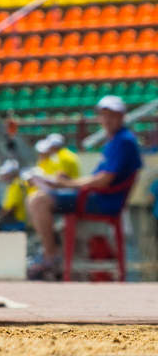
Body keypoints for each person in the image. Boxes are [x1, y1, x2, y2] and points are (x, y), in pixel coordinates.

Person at [25, 95, 143, 280]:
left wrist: (66, 184)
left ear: (121, 116)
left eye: (111, 115)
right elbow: (97, 179)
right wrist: (67, 183)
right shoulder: (114, 141)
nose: (106, 119)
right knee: (40, 198)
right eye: (104, 115)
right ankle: (53, 253)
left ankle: (51, 256)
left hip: (104, 202)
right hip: (95, 197)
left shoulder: (124, 141)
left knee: (38, 201)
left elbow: (103, 180)